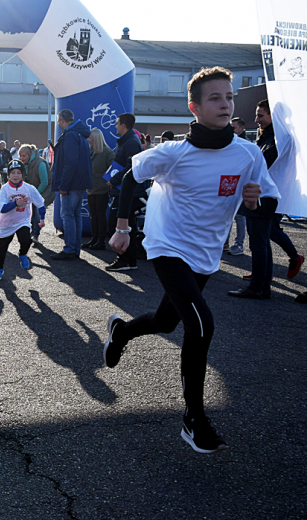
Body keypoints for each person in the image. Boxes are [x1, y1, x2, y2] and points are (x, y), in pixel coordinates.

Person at [105, 67, 280, 454]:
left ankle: (121, 333)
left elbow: (268, 201)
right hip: (167, 246)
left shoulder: (248, 154)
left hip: (205, 254)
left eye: (229, 97)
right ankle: (193, 419)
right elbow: (132, 179)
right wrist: (122, 227)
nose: (225, 104)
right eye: (215, 98)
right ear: (195, 107)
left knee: (166, 322)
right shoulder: (174, 152)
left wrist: (254, 202)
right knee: (200, 326)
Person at [229, 99, 303, 299]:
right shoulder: (270, 137)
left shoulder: (279, 138)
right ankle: (263, 283)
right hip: (264, 195)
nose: (257, 119)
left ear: (273, 116)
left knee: (259, 243)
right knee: (263, 241)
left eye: (261, 115)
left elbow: (263, 162)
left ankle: (259, 286)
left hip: (265, 196)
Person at [0, 159, 45, 280]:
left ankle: (22, 254)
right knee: (1, 250)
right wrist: (16, 203)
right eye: (13, 172)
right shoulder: (5, 189)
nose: (16, 175)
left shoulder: (29, 188)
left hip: (22, 221)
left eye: (19, 172)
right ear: (8, 174)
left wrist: (42, 219)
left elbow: (41, 204)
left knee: (26, 240)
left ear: (23, 174)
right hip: (6, 223)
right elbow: (3, 208)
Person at [50, 109, 92, 260]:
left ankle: (70, 249)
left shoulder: (70, 135)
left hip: (71, 184)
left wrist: (64, 185)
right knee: (75, 215)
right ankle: (75, 249)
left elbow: (71, 163)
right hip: (80, 182)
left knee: (68, 215)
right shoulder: (81, 134)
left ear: (61, 120)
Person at [106, 113, 144, 271]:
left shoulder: (131, 142)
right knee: (126, 224)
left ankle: (125, 259)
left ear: (123, 125)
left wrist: (113, 180)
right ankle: (128, 260)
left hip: (128, 192)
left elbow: (131, 168)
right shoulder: (127, 141)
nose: (115, 126)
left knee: (120, 223)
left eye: (117, 123)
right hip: (123, 190)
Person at [84, 128, 114, 250]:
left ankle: (101, 241)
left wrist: (107, 182)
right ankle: (95, 239)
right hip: (91, 188)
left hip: (102, 189)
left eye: (90, 137)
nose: (88, 139)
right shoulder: (90, 151)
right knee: (93, 215)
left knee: (100, 215)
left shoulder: (107, 152)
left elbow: (114, 169)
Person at [20, 144, 52, 243]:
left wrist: (35, 195)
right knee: (29, 213)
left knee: (37, 213)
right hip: (31, 192)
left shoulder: (40, 163)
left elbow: (44, 182)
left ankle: (35, 234)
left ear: (30, 155)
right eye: (20, 156)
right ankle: (31, 232)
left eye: (24, 156)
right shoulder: (23, 164)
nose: (22, 158)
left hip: (44, 190)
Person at [224, 118, 247, 255]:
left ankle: (239, 244)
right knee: (227, 214)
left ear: (242, 128)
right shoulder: (230, 142)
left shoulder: (245, 145)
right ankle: (225, 242)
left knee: (239, 216)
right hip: (229, 181)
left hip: (239, 183)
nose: (231, 130)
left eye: (234, 128)